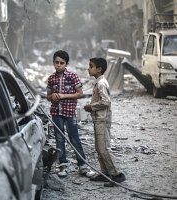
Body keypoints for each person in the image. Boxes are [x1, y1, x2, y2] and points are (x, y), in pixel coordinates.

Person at [47, 50, 91, 178]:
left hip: (69, 112)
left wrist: (63, 95)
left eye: (62, 63)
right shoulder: (51, 78)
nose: (59, 65)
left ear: (66, 64)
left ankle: (82, 166)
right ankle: (63, 166)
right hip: (56, 112)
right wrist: (53, 96)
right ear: (53, 63)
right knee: (59, 139)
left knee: (74, 138)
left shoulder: (73, 76)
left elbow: (80, 93)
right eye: (56, 62)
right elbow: (48, 96)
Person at [84, 57, 126, 187]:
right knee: (99, 147)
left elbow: (106, 102)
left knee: (104, 148)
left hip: (102, 119)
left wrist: (91, 107)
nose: (88, 68)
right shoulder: (98, 82)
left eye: (91, 66)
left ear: (99, 69)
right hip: (99, 119)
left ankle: (116, 175)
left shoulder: (101, 83)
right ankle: (105, 173)